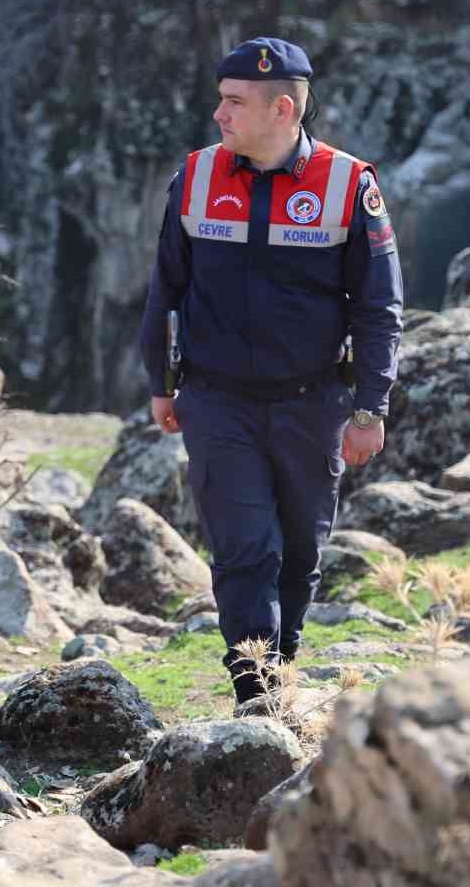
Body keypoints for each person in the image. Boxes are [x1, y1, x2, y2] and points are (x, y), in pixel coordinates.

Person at [138, 37, 403, 706]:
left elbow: (379, 307)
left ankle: (281, 672)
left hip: (313, 403)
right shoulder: (196, 177)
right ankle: (255, 695)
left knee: (300, 552)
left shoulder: (349, 185)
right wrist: (160, 385)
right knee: (245, 550)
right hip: (216, 401)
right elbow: (165, 290)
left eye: (233, 102)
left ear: (282, 109)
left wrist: (371, 407)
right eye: (221, 100)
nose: (219, 114)